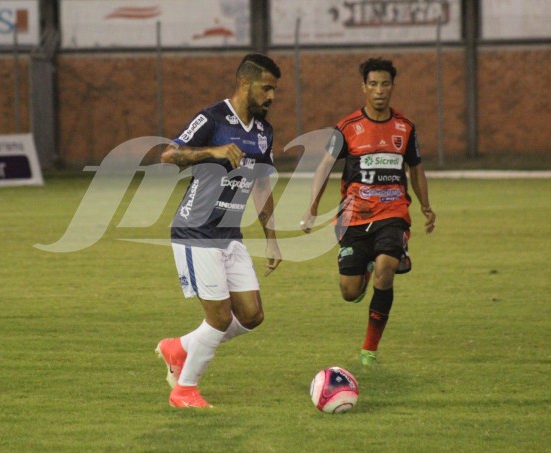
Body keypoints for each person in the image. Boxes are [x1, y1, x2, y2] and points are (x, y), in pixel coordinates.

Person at [156, 54, 283, 408]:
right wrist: (211, 151)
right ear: (245, 84)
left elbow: (260, 187)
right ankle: (184, 390)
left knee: (252, 315)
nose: (272, 96)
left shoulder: (264, 132)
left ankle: (180, 347)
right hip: (196, 231)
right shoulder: (212, 118)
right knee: (219, 317)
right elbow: (169, 155)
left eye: (275, 89)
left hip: (230, 234)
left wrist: (272, 239)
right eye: (267, 88)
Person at [301, 57, 436, 366]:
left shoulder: (405, 127)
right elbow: (324, 167)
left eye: (385, 84)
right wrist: (311, 208)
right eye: (373, 84)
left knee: (386, 268)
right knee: (349, 291)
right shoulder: (347, 128)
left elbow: (416, 169)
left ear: (393, 87)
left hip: (393, 212)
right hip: (355, 216)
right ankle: (361, 272)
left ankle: (369, 348)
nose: (379, 91)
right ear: (364, 88)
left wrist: (426, 206)